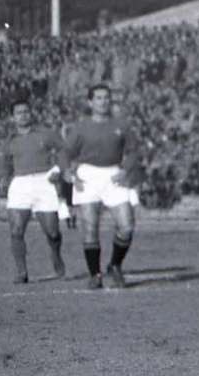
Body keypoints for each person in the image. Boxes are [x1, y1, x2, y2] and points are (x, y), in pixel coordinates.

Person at [63, 83, 139, 290]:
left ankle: (115, 265)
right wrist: (67, 171)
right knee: (90, 227)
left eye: (106, 97)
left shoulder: (121, 125)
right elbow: (65, 152)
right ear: (90, 102)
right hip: (88, 175)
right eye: (98, 98)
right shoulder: (81, 127)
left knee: (127, 226)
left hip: (114, 174)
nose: (103, 101)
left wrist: (126, 169)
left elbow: (134, 151)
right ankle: (95, 274)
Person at [0, 100, 67, 283]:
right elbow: (5, 163)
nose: (23, 115)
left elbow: (64, 150)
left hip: (43, 182)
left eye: (26, 111)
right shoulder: (10, 140)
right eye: (19, 112)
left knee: (52, 232)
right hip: (20, 184)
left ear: (31, 113)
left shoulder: (45, 133)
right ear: (13, 117)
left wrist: (58, 170)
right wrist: (3, 179)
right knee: (16, 230)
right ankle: (22, 272)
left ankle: (57, 258)